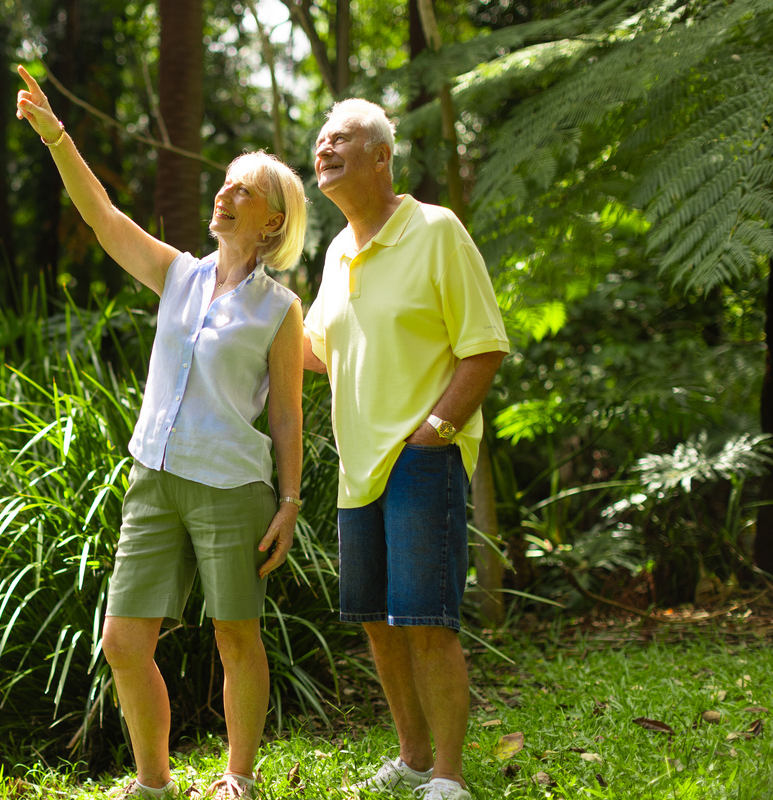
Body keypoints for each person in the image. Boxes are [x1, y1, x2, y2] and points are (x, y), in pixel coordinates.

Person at [16, 66, 306, 800]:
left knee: (236, 636)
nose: (225, 192)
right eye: (226, 183)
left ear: (272, 220)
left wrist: (291, 501)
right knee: (122, 642)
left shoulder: (280, 308)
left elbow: (286, 413)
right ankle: (154, 781)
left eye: (243, 188)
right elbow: (103, 217)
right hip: (154, 477)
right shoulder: (177, 274)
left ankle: (237, 778)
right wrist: (56, 134)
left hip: (233, 485)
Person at [302, 99, 509, 800]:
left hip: (422, 458)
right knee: (377, 623)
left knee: (425, 619)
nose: (324, 148)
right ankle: (414, 757)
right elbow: (320, 352)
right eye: (320, 140)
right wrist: (243, 306)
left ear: (382, 155)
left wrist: (436, 433)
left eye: (342, 139)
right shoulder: (335, 251)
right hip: (356, 469)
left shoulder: (436, 231)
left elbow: (483, 347)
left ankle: (449, 775)